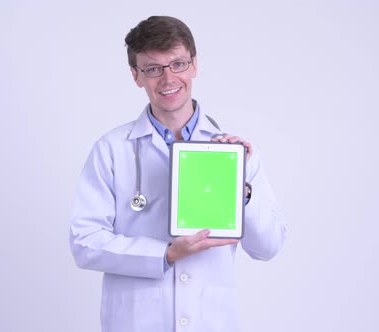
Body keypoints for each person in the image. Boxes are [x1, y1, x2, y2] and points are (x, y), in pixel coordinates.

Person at [69, 15, 286, 332]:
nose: (168, 79)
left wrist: (243, 191)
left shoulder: (234, 153)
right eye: (153, 69)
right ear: (136, 75)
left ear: (194, 65)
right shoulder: (112, 149)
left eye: (178, 64)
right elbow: (85, 243)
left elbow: (267, 247)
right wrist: (165, 254)